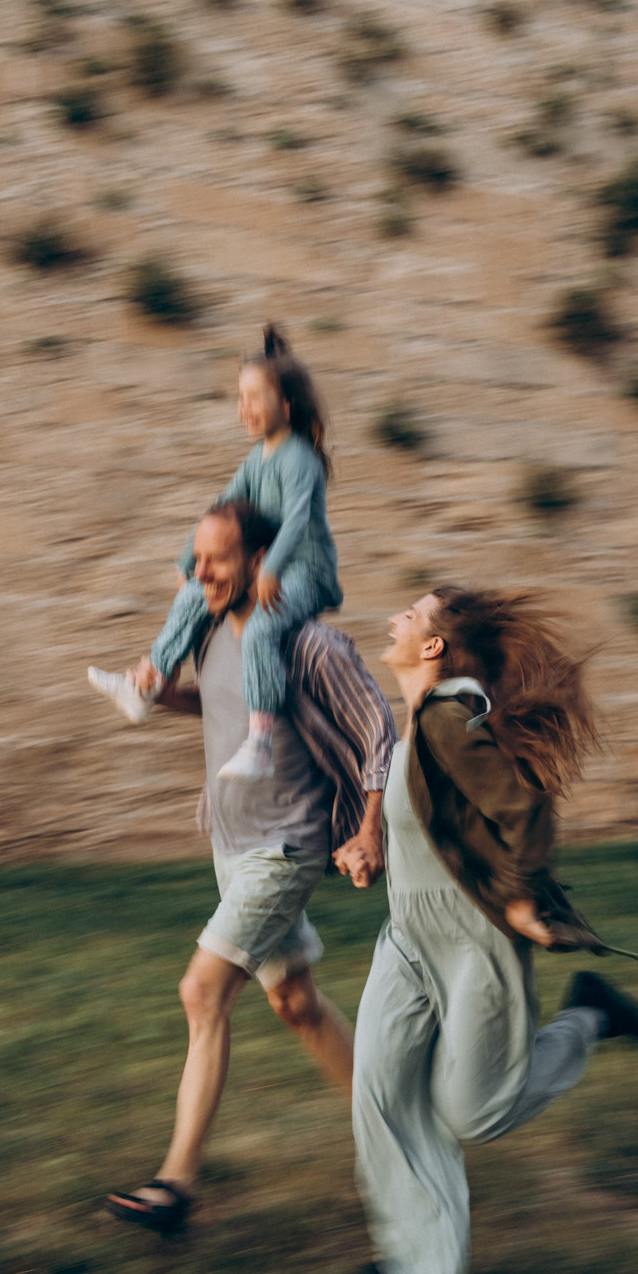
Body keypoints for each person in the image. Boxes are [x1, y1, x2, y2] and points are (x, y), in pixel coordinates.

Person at [352, 586, 638, 1274]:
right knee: (381, 1091)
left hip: (470, 941)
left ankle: (590, 1016)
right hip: (407, 936)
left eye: (410, 615)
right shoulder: (420, 724)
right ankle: (423, 1270)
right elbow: (442, 825)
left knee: (473, 1111)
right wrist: (370, 844)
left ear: (432, 646)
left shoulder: (447, 717)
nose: (394, 618)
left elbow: (524, 810)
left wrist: (519, 897)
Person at [105, 500, 395, 1233]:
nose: (199, 570)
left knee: (202, 993)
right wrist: (159, 693)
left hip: (286, 846)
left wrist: (370, 830)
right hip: (230, 846)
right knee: (295, 1003)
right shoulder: (207, 629)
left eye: (217, 558)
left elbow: (378, 734)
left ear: (260, 562)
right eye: (197, 556)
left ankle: (175, 1184)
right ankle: (396, 1134)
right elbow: (220, 705)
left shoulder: (311, 644)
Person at [89, 324, 343, 782]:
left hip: (305, 572)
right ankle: (147, 684)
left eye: (255, 397)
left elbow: (296, 521)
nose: (243, 408)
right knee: (193, 595)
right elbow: (221, 508)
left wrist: (273, 570)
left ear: (287, 405)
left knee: (261, 627)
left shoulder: (300, 458)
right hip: (267, 569)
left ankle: (260, 743)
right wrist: (187, 561)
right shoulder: (256, 460)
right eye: (240, 398)